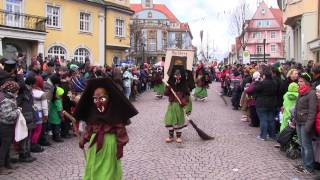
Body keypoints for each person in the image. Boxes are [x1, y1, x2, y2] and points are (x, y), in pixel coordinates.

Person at [74, 78, 138, 180]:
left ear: (108, 98)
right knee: (95, 166)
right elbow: (90, 128)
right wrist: (84, 139)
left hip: (109, 144)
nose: (98, 102)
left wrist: (120, 146)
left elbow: (120, 131)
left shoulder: (115, 113)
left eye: (102, 99)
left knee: (107, 169)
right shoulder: (93, 113)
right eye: (95, 99)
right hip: (95, 144)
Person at [294, 73, 317, 174]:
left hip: (305, 123)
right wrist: (294, 118)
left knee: (307, 146)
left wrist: (308, 126)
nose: (299, 83)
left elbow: (312, 111)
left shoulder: (311, 93)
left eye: (301, 81)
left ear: (306, 82)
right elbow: (297, 106)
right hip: (299, 121)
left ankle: (309, 167)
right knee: (302, 145)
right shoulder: (301, 92)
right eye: (298, 81)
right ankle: (305, 164)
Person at [246, 67, 277, 141]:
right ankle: (272, 135)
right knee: (271, 120)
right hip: (272, 103)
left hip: (262, 103)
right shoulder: (274, 83)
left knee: (263, 120)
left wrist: (257, 82)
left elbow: (252, 90)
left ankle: (263, 136)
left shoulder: (262, 83)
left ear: (264, 76)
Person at [164, 62, 190, 144]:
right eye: (176, 75)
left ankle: (178, 136)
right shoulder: (170, 83)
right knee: (170, 120)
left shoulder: (184, 85)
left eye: (179, 75)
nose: (177, 77)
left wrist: (184, 101)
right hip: (172, 105)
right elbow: (165, 93)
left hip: (179, 106)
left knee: (179, 121)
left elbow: (187, 95)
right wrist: (168, 88)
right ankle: (171, 136)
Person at [0, 81, 20, 175]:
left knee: (7, 145)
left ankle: (7, 163)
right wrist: (18, 111)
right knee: (4, 146)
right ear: (12, 90)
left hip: (5, 125)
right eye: (17, 91)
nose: (17, 93)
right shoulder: (6, 99)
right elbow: (8, 115)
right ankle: (1, 167)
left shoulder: (5, 96)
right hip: (5, 125)